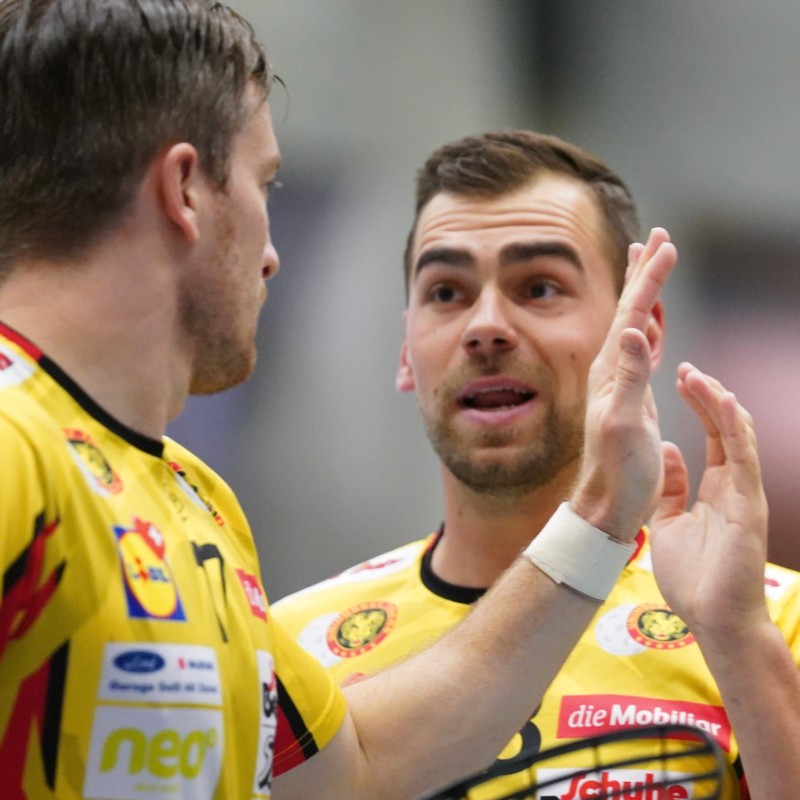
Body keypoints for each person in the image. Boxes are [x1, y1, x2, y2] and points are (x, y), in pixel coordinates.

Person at [273, 131, 800, 799]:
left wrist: (737, 638)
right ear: (407, 351)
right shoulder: (287, 646)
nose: (485, 326)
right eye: (446, 293)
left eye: (540, 287)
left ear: (642, 333)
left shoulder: (769, 620)